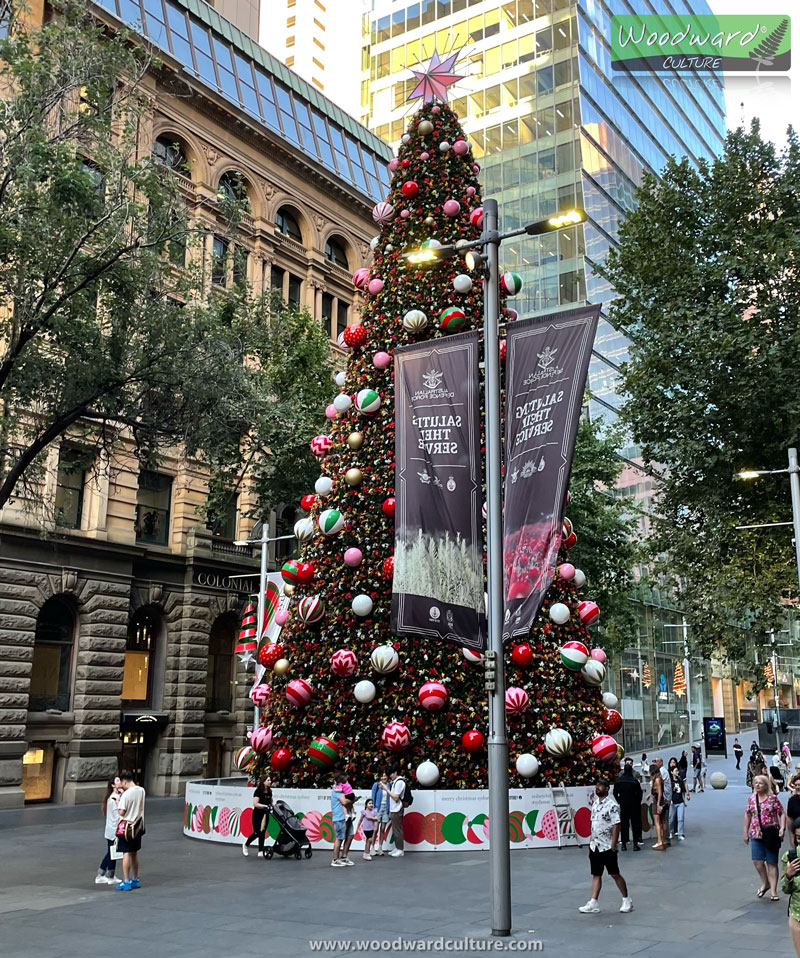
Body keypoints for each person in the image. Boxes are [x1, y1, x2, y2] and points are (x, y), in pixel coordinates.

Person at [578, 779, 633, 914]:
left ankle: (626, 899)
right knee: (596, 874)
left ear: (607, 789)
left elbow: (616, 825)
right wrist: (591, 840)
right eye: (597, 786)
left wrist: (613, 845)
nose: (598, 788)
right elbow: (594, 824)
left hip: (607, 846)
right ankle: (593, 902)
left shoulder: (612, 805)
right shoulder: (595, 803)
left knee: (614, 873)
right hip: (595, 845)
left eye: (601, 786)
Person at [744, 774, 786, 901]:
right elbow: (747, 815)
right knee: (757, 861)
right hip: (756, 833)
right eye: (755, 783)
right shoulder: (751, 799)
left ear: (766, 785)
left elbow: (782, 813)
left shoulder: (772, 799)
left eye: (760, 783)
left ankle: (773, 890)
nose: (757, 785)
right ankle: (765, 882)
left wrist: (782, 828)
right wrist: (745, 832)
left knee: (772, 862)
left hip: (771, 834)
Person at [115, 770, 145, 891]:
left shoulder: (126, 795)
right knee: (135, 852)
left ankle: (126, 881)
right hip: (138, 826)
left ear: (125, 782)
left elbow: (122, 811)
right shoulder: (141, 790)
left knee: (126, 853)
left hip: (127, 827)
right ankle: (135, 879)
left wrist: (118, 804)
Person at [96, 775, 123, 885]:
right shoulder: (113, 799)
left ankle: (101, 875)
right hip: (114, 830)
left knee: (111, 853)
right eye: (117, 780)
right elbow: (118, 815)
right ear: (113, 785)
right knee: (113, 853)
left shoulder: (114, 797)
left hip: (111, 829)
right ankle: (109, 876)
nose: (120, 782)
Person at [613, 759, 642, 851]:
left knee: (624, 825)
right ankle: (635, 844)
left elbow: (614, 792)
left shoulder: (619, 781)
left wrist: (619, 800)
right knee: (635, 824)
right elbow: (639, 793)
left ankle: (624, 844)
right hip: (634, 805)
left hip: (623, 805)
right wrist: (637, 802)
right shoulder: (634, 781)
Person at [781, 818, 800, 956]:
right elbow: (786, 889)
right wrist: (788, 875)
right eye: (799, 837)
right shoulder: (790, 857)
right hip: (797, 916)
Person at [242, 773, 272, 858]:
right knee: (257, 832)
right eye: (268, 780)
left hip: (265, 815)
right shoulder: (258, 791)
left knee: (262, 832)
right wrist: (264, 806)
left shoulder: (269, 792)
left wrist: (270, 806)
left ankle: (260, 851)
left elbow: (270, 802)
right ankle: (246, 845)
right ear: (263, 781)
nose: (270, 782)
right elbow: (255, 804)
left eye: (270, 780)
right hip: (257, 815)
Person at [380, 767, 407, 858]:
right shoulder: (395, 782)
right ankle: (397, 847)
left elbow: (395, 797)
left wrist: (386, 789)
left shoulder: (399, 782)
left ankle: (400, 849)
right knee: (395, 830)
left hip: (397, 808)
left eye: (391, 774)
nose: (390, 776)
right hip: (394, 809)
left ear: (395, 772)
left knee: (397, 830)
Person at [330, 773, 353, 867]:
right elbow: (344, 801)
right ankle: (335, 859)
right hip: (339, 817)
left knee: (350, 836)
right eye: (345, 780)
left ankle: (344, 857)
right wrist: (353, 799)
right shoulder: (336, 790)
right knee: (339, 838)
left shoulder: (344, 789)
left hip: (347, 817)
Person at [668, 759, 689, 841]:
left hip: (680, 801)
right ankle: (670, 831)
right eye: (676, 771)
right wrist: (670, 800)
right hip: (673, 802)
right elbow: (669, 792)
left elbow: (681, 792)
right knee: (671, 819)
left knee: (680, 818)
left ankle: (680, 833)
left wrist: (684, 801)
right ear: (672, 772)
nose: (677, 772)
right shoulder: (670, 782)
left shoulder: (680, 780)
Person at [371, 771, 391, 856]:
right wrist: (373, 810)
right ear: (380, 777)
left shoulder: (390, 785)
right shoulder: (376, 785)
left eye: (385, 776)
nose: (384, 778)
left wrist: (389, 810)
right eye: (382, 776)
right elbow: (373, 797)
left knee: (383, 829)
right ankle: (372, 848)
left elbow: (390, 798)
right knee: (375, 829)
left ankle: (380, 848)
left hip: (386, 809)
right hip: (377, 809)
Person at [654, 757, 672, 845]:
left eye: (656, 761)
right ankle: (665, 839)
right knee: (664, 820)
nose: (655, 763)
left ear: (661, 762)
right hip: (665, 798)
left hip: (664, 799)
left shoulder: (662, 772)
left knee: (662, 820)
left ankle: (665, 839)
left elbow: (660, 788)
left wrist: (658, 803)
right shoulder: (662, 771)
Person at [650, 763, 667, 851]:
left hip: (658, 802)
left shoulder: (656, 780)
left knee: (657, 822)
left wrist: (658, 804)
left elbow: (659, 792)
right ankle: (663, 840)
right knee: (663, 821)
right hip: (661, 801)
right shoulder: (659, 779)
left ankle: (660, 841)